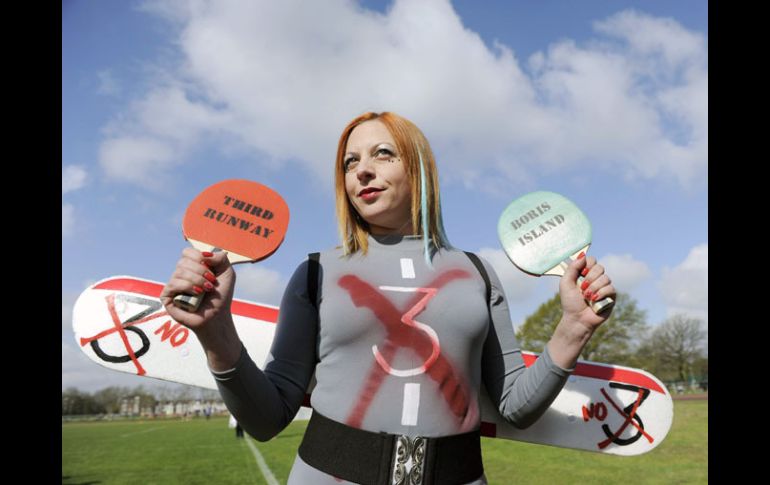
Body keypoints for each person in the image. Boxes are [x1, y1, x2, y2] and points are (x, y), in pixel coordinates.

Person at [160, 112, 616, 484]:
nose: (362, 170)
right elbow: (266, 419)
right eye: (349, 162)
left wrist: (573, 328)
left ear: (418, 168)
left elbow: (516, 407)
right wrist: (216, 334)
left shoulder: (479, 272)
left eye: (383, 153)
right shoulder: (315, 272)